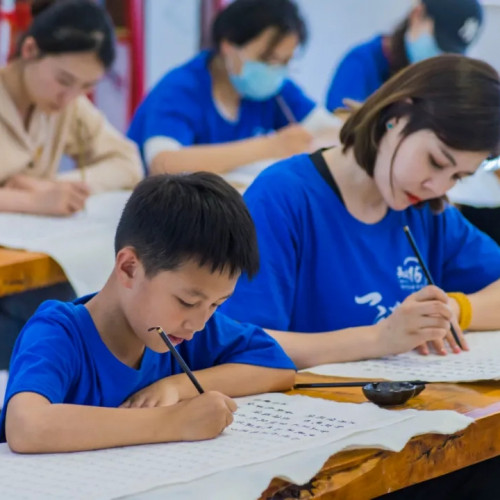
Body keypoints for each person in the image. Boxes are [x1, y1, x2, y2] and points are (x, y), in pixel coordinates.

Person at [221, 55, 500, 370]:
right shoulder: (283, 198)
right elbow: (239, 343)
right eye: (436, 161)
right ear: (397, 116)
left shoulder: (426, 212)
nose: (436, 187)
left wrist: (456, 309)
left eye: (457, 176)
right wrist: (380, 339)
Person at [0, 172, 295, 452]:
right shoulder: (58, 333)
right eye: (187, 302)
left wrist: (177, 386)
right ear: (130, 268)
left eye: (216, 304)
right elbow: (27, 426)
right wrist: (175, 422)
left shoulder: (183, 330)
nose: (200, 324)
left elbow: (277, 367)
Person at [127, 0, 339, 176]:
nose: (275, 70)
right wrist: (271, 146)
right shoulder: (181, 89)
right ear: (228, 45)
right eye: (267, 59)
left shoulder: (276, 90)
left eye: (284, 62)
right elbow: (163, 164)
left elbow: (332, 130)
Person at [0, 0, 143, 217]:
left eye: (87, 86)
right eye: (63, 80)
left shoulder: (70, 103)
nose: (69, 97)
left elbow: (127, 162)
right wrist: (30, 200)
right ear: (30, 50)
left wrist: (56, 187)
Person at [325, 0, 483, 112]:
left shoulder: (440, 81)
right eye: (438, 43)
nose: (439, 57)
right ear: (417, 13)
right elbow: (339, 131)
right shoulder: (361, 64)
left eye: (449, 53)